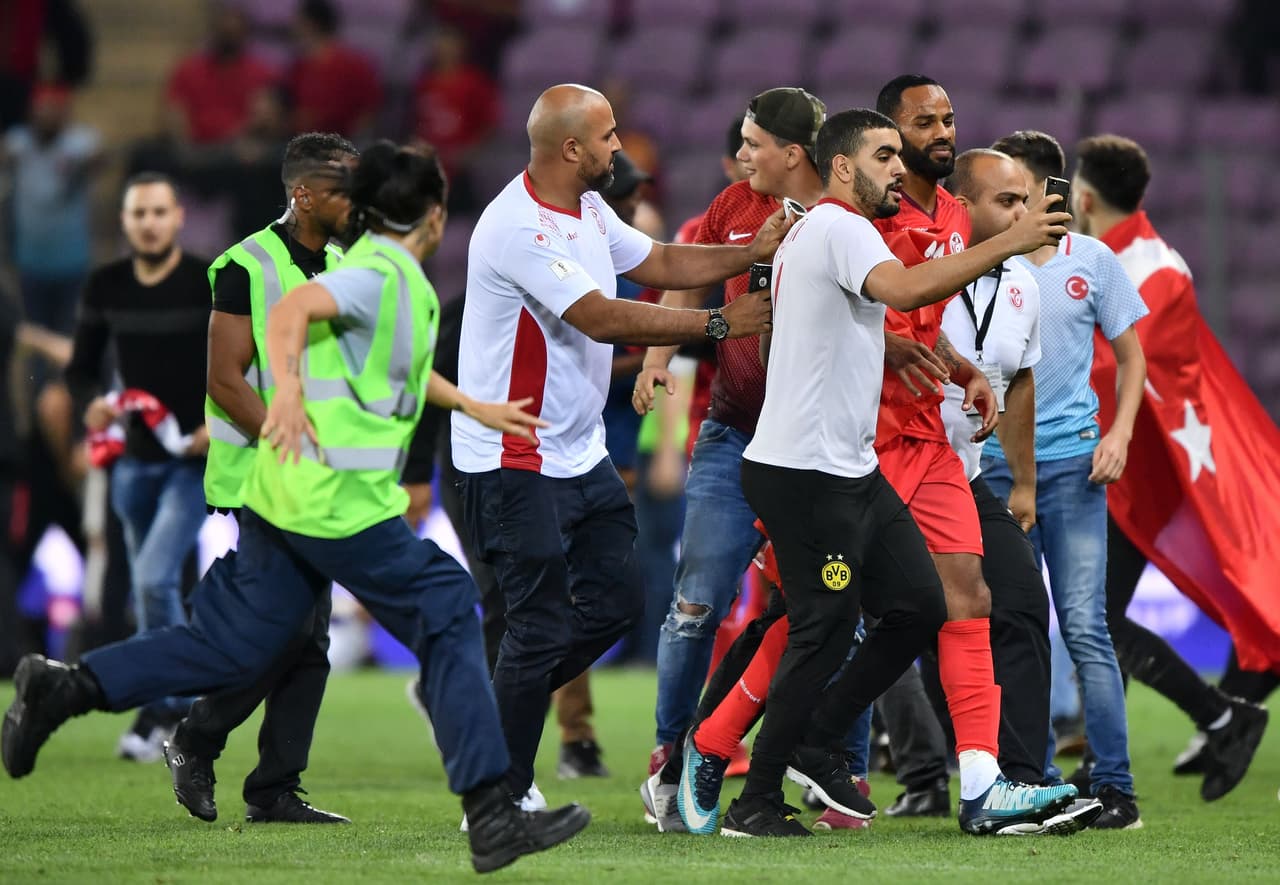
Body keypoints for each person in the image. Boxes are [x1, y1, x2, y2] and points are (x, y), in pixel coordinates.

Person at [2, 141, 592, 876]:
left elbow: (388, 366)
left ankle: (62, 686)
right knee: (444, 597)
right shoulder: (378, 272)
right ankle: (491, 811)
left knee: (233, 646)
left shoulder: (378, 272)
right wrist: (282, 387)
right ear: (436, 217)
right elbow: (291, 316)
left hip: (298, 497)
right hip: (330, 502)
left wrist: (467, 401)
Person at [709, 107, 1075, 838]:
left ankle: (980, 783)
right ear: (847, 162)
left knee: (951, 597)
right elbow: (899, 294)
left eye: (944, 123)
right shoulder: (853, 226)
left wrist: (957, 365)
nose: (910, 157)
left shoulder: (899, 226)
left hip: (910, 444)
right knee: (812, 623)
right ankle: (712, 746)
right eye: (895, 147)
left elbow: (901, 316)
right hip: (842, 454)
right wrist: (1011, 239)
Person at [452, 83, 784, 811]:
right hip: (514, 454)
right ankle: (503, 791)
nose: (618, 147)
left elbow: (661, 262)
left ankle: (491, 706)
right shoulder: (518, 227)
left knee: (615, 603)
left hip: (578, 452)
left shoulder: (589, 206)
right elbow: (601, 317)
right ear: (571, 148)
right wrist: (724, 325)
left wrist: (744, 254)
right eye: (607, 136)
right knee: (538, 623)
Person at [163, 133, 358, 826]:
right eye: (342, 189)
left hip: (324, 478)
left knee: (308, 635)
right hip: (264, 471)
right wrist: (291, 442)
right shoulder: (246, 265)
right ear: (303, 193)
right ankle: (197, 736)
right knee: (286, 628)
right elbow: (222, 380)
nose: (354, 202)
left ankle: (273, 786)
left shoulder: (345, 262)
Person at [634, 88, 827, 783]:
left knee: (829, 609)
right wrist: (658, 360)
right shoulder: (730, 206)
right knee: (695, 604)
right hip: (734, 433)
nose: (740, 155)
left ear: (792, 152)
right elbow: (688, 280)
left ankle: (833, 763)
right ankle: (670, 750)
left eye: (751, 143)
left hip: (816, 448)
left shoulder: (845, 217)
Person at [1070, 133, 1270, 801]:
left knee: (1094, 616)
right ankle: (1181, 733)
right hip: (1126, 474)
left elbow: (1120, 364)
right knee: (1096, 615)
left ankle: (1221, 716)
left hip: (1151, 480)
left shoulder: (1154, 269)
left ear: (1087, 196)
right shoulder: (1112, 259)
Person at [982, 129, 1148, 830]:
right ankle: (1034, 776)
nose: (1009, 203)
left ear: (1047, 189)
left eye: (1017, 189)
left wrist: (1121, 431)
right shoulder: (984, 265)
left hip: (1076, 467)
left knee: (1085, 629)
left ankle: (1116, 788)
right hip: (995, 471)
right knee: (1012, 627)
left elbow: (1133, 358)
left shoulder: (1095, 262)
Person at [63, 172, 210, 761]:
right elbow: (81, 368)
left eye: (157, 211)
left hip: (194, 460)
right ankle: (176, 705)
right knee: (153, 584)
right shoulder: (107, 284)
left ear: (177, 217)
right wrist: (91, 405)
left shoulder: (209, 279)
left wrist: (218, 425)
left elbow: (245, 358)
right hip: (132, 462)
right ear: (124, 222)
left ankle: (168, 710)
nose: (147, 222)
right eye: (137, 214)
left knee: (153, 579)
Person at [3, 82, 101, 336]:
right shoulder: (18, 143)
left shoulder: (79, 144)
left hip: (72, 261)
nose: (47, 116)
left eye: (54, 110)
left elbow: (99, 158)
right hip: (31, 260)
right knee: (35, 336)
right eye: (42, 110)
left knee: (68, 336)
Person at [286, 0, 382, 138]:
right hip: (304, 144)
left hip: (343, 144)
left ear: (310, 24)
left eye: (297, 21)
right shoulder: (298, 67)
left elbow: (369, 111)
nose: (292, 26)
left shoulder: (354, 65)